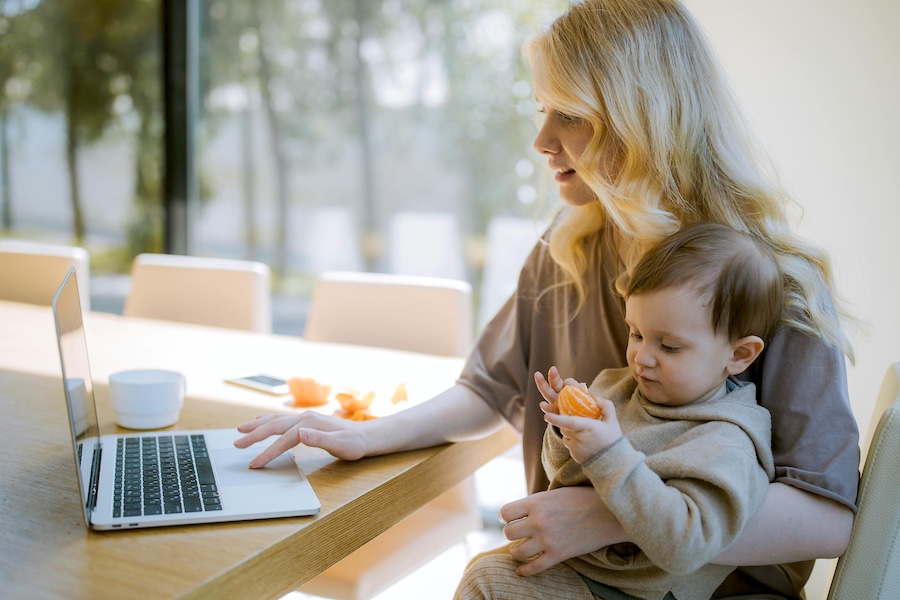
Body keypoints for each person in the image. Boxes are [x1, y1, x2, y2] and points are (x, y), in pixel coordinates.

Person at [234, 0, 860, 596]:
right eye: (542, 109)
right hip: (575, 580)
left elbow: (828, 518)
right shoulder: (566, 251)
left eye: (572, 115)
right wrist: (368, 435)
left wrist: (613, 513)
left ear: (644, 121)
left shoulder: (777, 282)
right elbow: (488, 389)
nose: (541, 140)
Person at [455, 222, 782, 600]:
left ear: (739, 355)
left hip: (637, 593)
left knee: (487, 580)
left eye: (670, 346)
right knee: (485, 569)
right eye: (637, 334)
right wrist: (567, 431)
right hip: (584, 570)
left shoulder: (726, 440)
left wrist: (609, 453)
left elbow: (687, 545)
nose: (641, 358)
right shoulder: (618, 387)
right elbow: (562, 478)